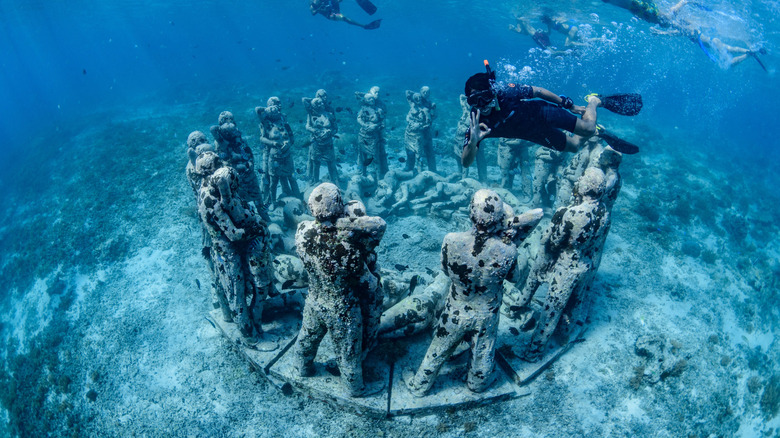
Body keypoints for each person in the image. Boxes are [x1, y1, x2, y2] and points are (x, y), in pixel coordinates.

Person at [461, 62, 601, 169]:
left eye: (484, 97)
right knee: (575, 146)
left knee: (588, 129)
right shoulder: (477, 123)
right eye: (474, 101)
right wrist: (473, 143)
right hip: (534, 133)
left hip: (543, 113)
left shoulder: (506, 92)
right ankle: (596, 131)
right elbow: (465, 163)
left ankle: (593, 101)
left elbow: (538, 91)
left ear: (492, 91)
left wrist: (568, 105)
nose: (482, 105)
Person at [310, 0, 381, 30]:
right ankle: (364, 26)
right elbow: (313, 12)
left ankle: (370, 9)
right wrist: (318, 9)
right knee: (344, 18)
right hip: (329, 14)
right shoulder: (313, 3)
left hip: (332, 7)